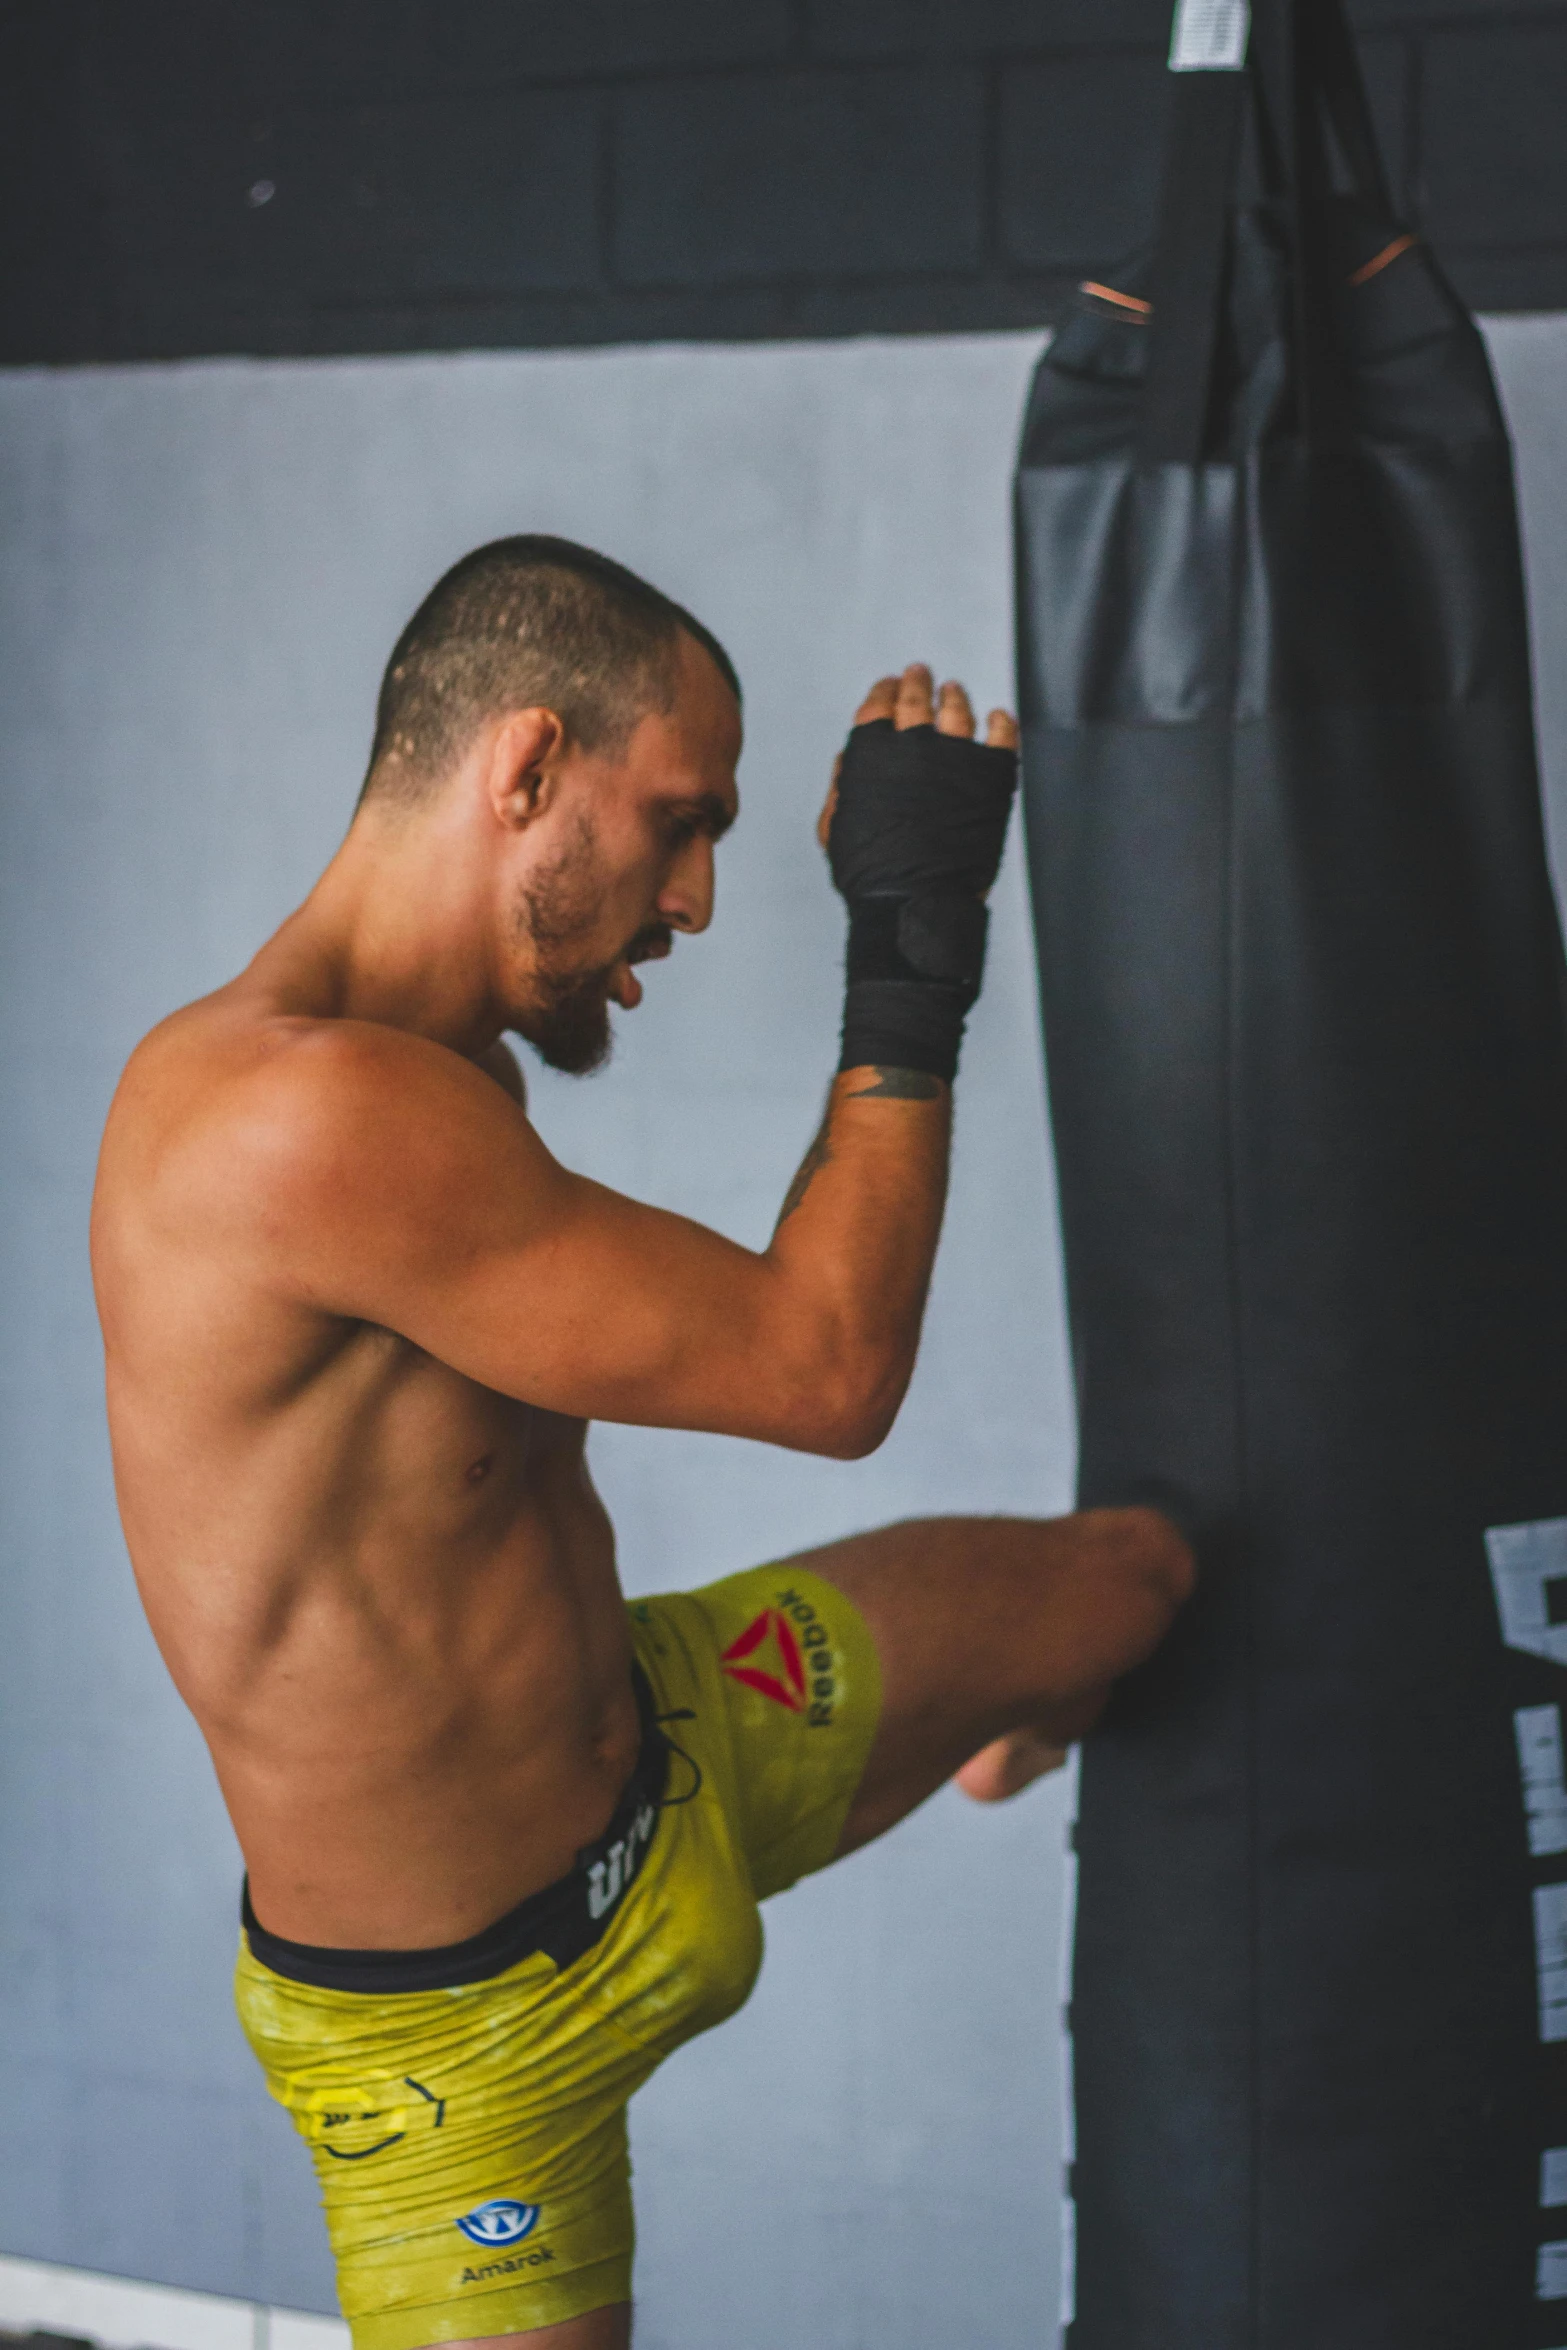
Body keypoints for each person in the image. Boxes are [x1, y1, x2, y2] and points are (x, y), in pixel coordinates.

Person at [91, 536, 1192, 2350]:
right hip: (465, 2047)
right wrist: (912, 946)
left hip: (677, 1742)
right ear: (524, 769)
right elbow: (824, 1372)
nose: (690, 901)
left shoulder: (459, 1075)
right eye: (678, 822)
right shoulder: (287, 1121)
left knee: (1135, 1582)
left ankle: (999, 1724)